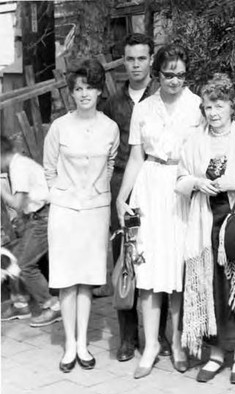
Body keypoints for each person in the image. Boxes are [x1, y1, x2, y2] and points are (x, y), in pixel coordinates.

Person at [116, 44, 203, 379]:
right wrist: (122, 198)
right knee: (149, 269)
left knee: (178, 269)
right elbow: (136, 158)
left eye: (181, 75)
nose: (175, 81)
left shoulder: (196, 106)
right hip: (150, 188)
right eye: (169, 74)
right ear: (157, 72)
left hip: (182, 187)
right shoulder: (144, 108)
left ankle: (178, 343)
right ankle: (151, 344)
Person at [177, 74, 235, 385]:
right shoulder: (194, 140)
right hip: (205, 219)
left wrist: (234, 183)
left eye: (219, 106)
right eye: (208, 107)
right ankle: (216, 353)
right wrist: (196, 183)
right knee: (212, 285)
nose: (213, 113)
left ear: (232, 106)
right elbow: (181, 178)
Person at [43, 59, 119, 373]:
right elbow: (49, 169)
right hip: (64, 211)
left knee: (86, 280)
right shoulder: (59, 127)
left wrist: (96, 193)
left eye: (89, 87)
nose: (84, 94)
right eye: (78, 89)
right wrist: (62, 196)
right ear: (71, 93)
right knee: (66, 279)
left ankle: (84, 343)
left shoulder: (110, 127)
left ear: (100, 90)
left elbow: (111, 164)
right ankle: (69, 345)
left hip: (95, 211)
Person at [102, 33, 171, 363]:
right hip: (124, 186)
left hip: (158, 185)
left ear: (151, 60)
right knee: (126, 260)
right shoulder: (113, 103)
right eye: (130, 59)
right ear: (123, 62)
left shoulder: (163, 97)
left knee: (159, 255)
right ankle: (128, 337)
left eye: (142, 58)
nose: (136, 65)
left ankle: (159, 336)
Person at [0, 135, 61, 327]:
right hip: (37, 216)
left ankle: (52, 306)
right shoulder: (18, 164)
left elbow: (17, 203)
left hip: (45, 217)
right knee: (13, 256)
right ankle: (21, 303)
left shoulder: (18, 167)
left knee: (25, 265)